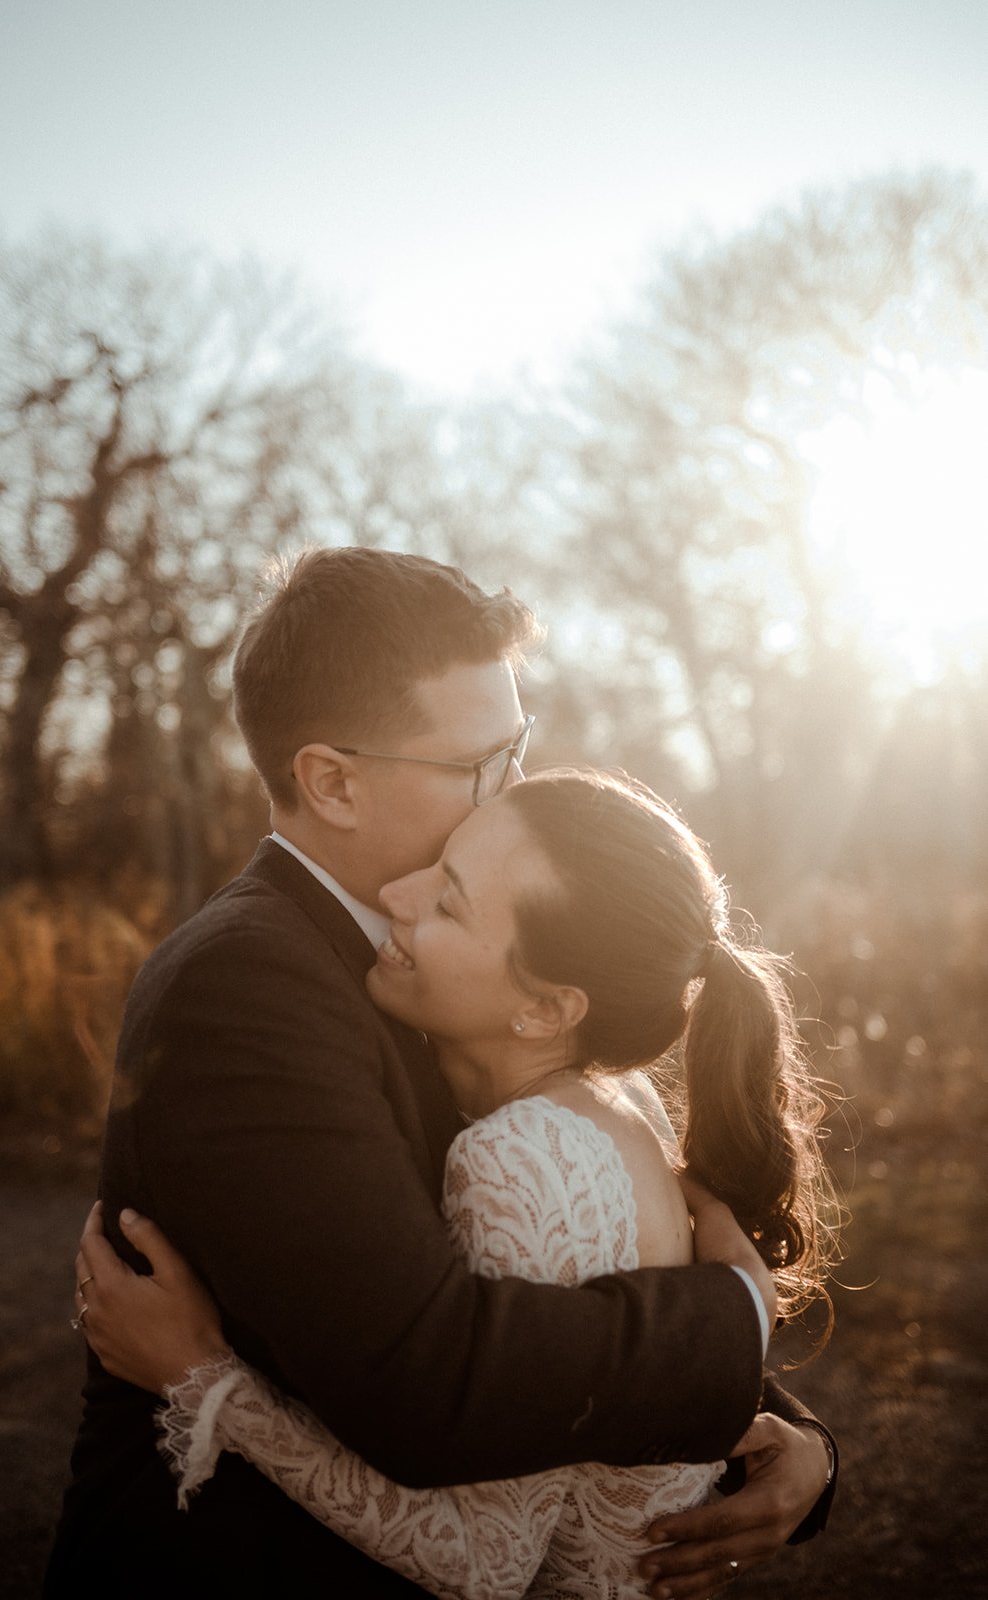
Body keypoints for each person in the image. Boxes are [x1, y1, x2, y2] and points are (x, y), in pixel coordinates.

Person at [46, 547, 835, 1599]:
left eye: (517, 747)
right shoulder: (243, 985)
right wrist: (732, 1319)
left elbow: (551, 1274)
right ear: (331, 779)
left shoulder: (435, 960)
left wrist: (786, 1436)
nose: (507, 788)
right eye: (478, 764)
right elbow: (435, 1375)